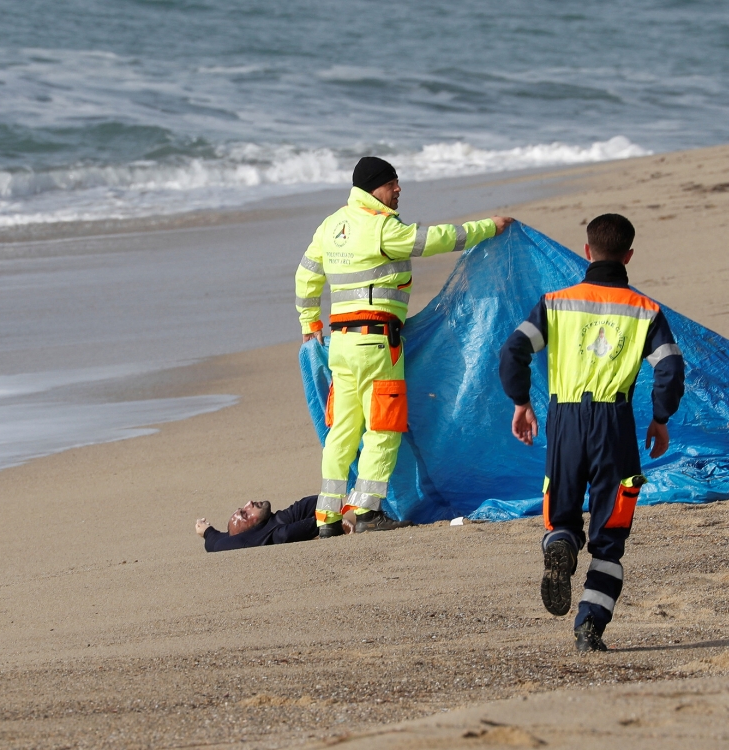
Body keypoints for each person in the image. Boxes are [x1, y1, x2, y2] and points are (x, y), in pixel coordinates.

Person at [296, 156, 513, 537]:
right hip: (377, 344)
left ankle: (326, 517)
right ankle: (365, 511)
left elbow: (307, 274)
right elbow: (435, 240)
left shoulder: (331, 226)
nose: (398, 190)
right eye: (392, 183)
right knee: (383, 425)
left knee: (343, 430)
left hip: (342, 345)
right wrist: (487, 228)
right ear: (372, 188)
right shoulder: (382, 228)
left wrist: (309, 322)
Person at [499, 213, 684, 652]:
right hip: (614, 425)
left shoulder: (556, 302)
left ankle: (560, 542)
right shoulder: (646, 311)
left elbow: (514, 350)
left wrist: (522, 402)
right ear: (629, 256)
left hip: (565, 420)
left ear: (587, 252)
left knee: (560, 515)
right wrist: (660, 417)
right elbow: (671, 369)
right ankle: (589, 627)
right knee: (609, 537)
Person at [195, 495, 319, 552]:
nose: (249, 503)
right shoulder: (278, 533)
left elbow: (216, 541)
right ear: (252, 531)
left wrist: (207, 531)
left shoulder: (280, 521)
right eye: (245, 514)